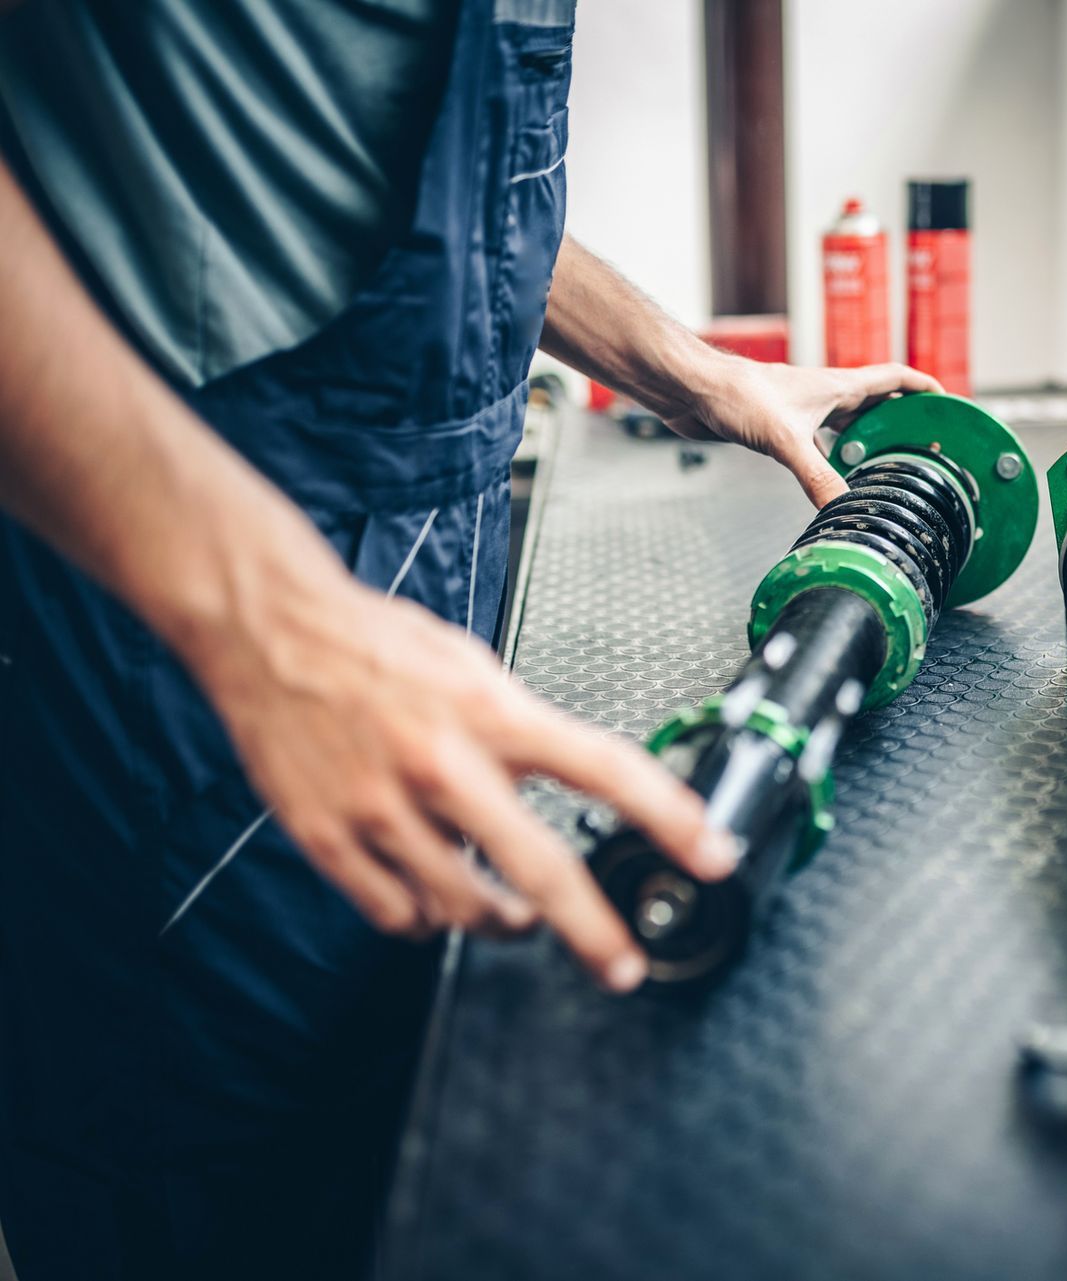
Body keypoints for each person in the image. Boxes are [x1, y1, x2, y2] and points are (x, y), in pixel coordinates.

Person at [0, 1, 935, 1276]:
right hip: (168, 611)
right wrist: (261, 616)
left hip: (407, 566)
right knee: (213, 1187)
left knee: (382, 1153)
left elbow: (396, 185)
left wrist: (694, 370)